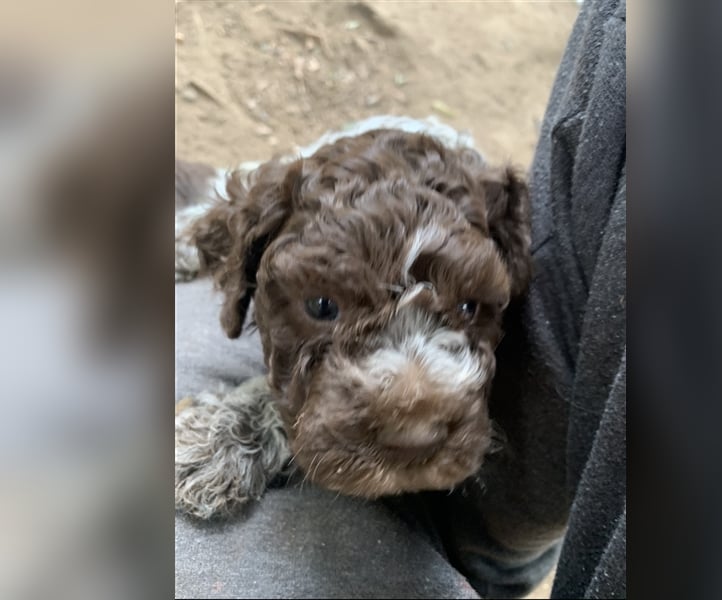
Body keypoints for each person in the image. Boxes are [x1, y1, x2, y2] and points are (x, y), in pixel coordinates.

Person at [174, 0, 626, 597]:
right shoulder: (275, 213)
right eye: (324, 309)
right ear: (243, 284)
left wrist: (257, 412)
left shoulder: (512, 229)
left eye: (466, 310)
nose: (410, 426)